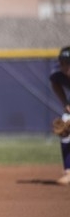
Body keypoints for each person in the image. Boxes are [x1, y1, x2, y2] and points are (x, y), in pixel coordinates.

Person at [50, 46, 70, 186]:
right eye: (62, 63)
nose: (63, 66)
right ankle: (68, 172)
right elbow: (55, 82)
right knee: (65, 129)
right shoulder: (59, 76)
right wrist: (65, 103)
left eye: (66, 63)